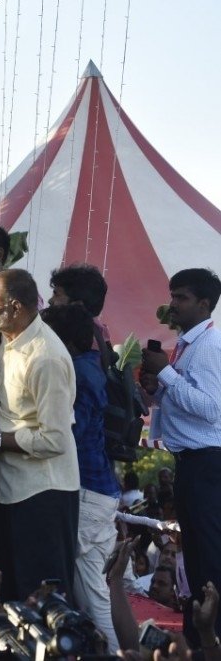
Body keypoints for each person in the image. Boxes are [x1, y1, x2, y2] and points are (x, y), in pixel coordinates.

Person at [0, 269, 80, 601]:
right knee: (16, 596)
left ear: (16, 308)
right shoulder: (13, 334)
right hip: (14, 492)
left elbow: (55, 440)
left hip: (44, 494)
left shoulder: (45, 357)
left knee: (43, 600)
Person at [141, 268, 221, 645]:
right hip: (192, 463)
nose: (172, 305)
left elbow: (210, 409)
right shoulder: (189, 344)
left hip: (206, 462)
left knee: (207, 557)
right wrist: (157, 388)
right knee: (199, 555)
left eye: (182, 298)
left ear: (204, 304)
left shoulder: (210, 346)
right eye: (172, 296)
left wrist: (168, 376)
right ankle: (201, 632)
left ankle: (210, 637)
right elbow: (184, 401)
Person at [42, 303, 122, 651]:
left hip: (88, 492)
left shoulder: (76, 373)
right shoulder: (90, 365)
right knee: (90, 594)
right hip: (99, 490)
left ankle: (118, 654)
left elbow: (67, 437)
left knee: (90, 599)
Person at [49, 263, 111, 347]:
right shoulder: (99, 338)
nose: (50, 301)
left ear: (78, 306)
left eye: (57, 295)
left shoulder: (80, 347)